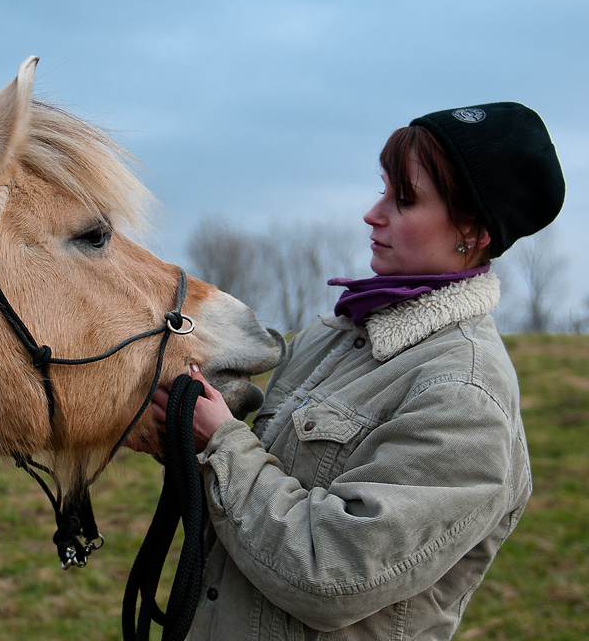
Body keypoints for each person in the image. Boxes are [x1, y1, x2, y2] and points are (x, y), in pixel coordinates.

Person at [144, 102, 565, 640]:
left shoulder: (464, 395)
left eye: (405, 200)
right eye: (384, 189)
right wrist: (188, 430)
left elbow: (331, 573)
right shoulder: (332, 335)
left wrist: (222, 443)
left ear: (475, 232)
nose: (374, 212)